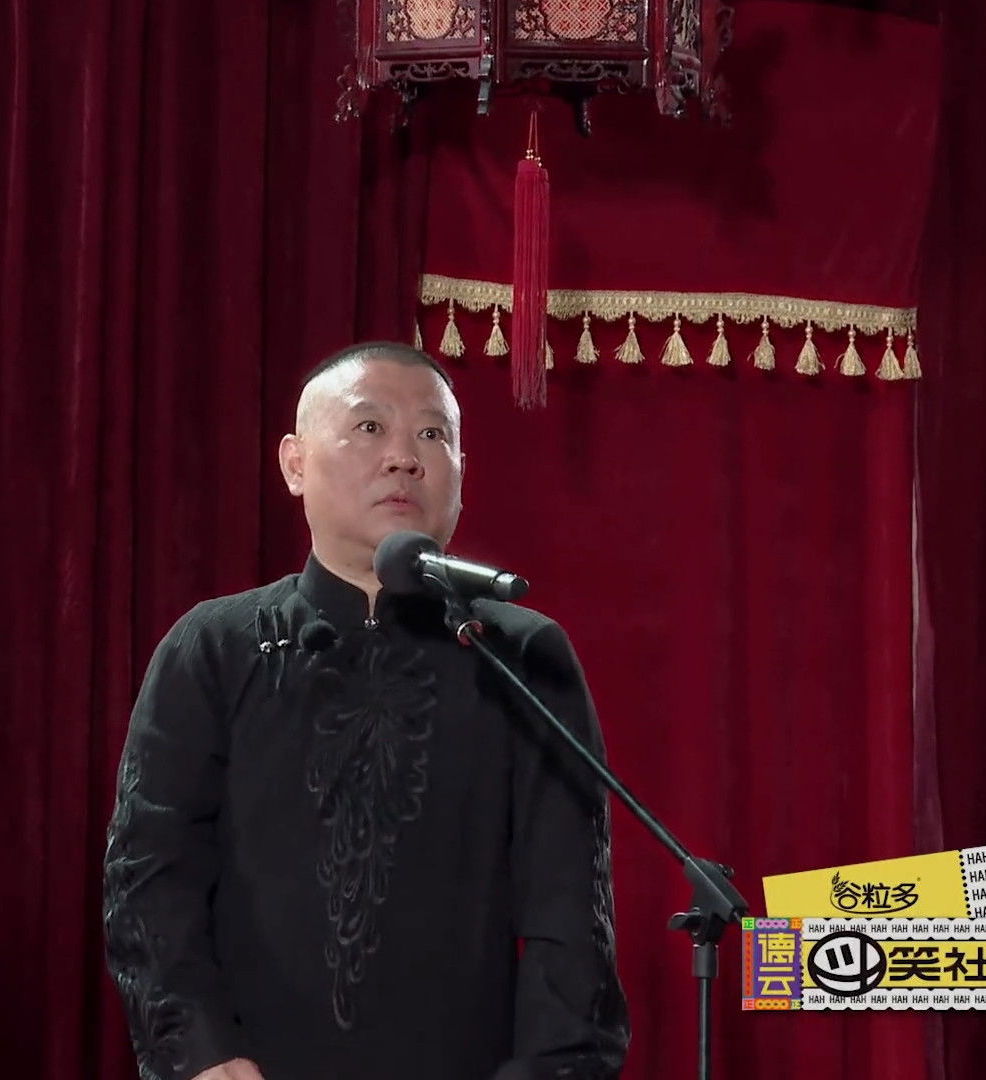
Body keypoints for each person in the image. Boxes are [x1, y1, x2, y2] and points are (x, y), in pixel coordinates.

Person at [102, 342, 629, 1080]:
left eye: (432, 434)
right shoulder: (214, 648)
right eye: (370, 427)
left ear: (462, 473)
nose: (404, 458)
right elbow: (150, 874)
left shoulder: (520, 654)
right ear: (295, 464)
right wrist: (199, 1054)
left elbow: (570, 914)